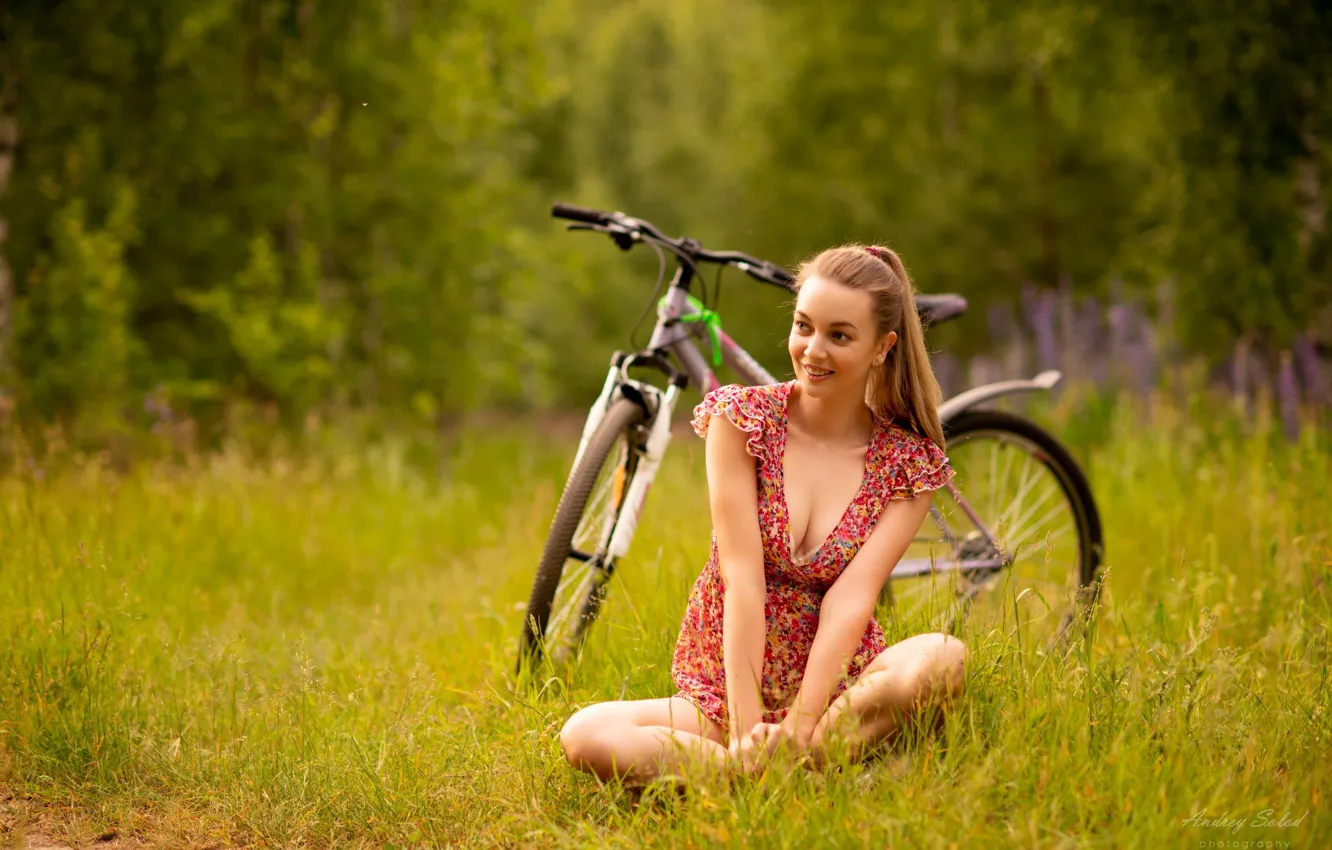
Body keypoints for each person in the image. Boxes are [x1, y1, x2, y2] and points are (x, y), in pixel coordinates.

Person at [559, 244, 968, 785]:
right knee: (585, 734)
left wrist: (800, 724)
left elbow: (852, 598)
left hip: (834, 700)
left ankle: (797, 760)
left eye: (839, 335)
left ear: (881, 347)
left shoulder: (907, 465)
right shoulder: (743, 422)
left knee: (944, 657)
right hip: (723, 698)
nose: (812, 350)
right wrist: (746, 733)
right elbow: (742, 579)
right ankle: (773, 774)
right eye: (804, 326)